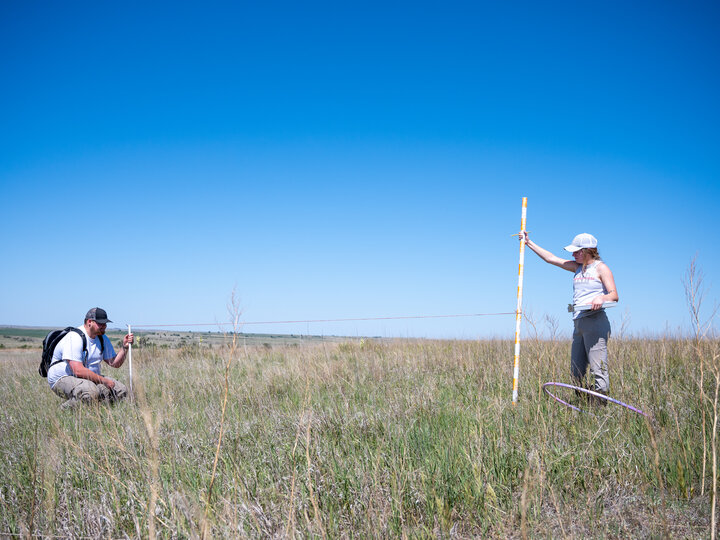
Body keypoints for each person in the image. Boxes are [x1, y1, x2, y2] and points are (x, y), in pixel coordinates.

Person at [522, 232, 618, 398]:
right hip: (579, 323)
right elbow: (551, 258)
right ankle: (583, 399)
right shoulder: (577, 267)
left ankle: (599, 405)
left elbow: (614, 295)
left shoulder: (601, 268)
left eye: (576, 251)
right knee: (576, 370)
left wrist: (601, 297)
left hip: (595, 322)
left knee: (598, 368)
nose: (573, 254)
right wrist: (529, 243)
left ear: (587, 251)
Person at [47, 307, 134, 409]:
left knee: (121, 391)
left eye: (105, 323)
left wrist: (124, 348)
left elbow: (114, 363)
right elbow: (77, 370)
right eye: (101, 323)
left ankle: (99, 413)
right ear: (89, 322)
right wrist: (104, 381)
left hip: (88, 378)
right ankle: (63, 410)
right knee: (90, 391)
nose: (104, 326)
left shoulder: (102, 338)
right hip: (61, 378)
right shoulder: (74, 337)